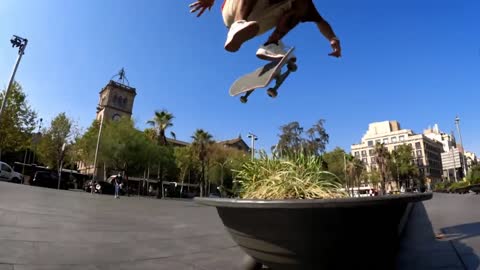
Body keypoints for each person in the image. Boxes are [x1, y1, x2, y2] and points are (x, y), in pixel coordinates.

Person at [189, 0, 341, 61]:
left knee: (301, 5)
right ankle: (238, 23)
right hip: (233, 10)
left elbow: (321, 22)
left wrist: (333, 38)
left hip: (257, 22)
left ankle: (271, 45)